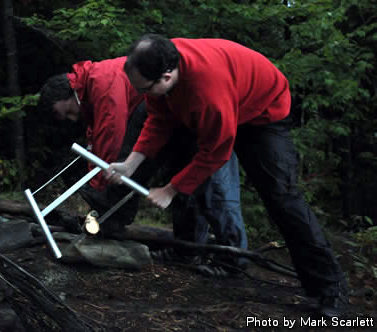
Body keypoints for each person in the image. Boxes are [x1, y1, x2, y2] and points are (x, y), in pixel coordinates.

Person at [107, 34, 348, 317]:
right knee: (188, 165)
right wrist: (131, 164)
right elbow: (160, 119)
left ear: (167, 76)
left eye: (146, 88)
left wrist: (170, 190)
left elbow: (216, 153)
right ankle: (189, 250)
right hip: (227, 102)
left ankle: (329, 289)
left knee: (282, 198)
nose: (144, 93)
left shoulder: (206, 91)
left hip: (262, 114)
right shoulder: (161, 64)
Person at [38, 57, 248, 272]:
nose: (73, 119)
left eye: (69, 112)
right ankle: (187, 251)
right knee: (181, 178)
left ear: (69, 91)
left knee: (215, 186)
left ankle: (234, 260)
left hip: (202, 118)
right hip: (171, 118)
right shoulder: (90, 87)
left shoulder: (103, 82)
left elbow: (113, 137)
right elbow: (97, 134)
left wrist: (100, 182)